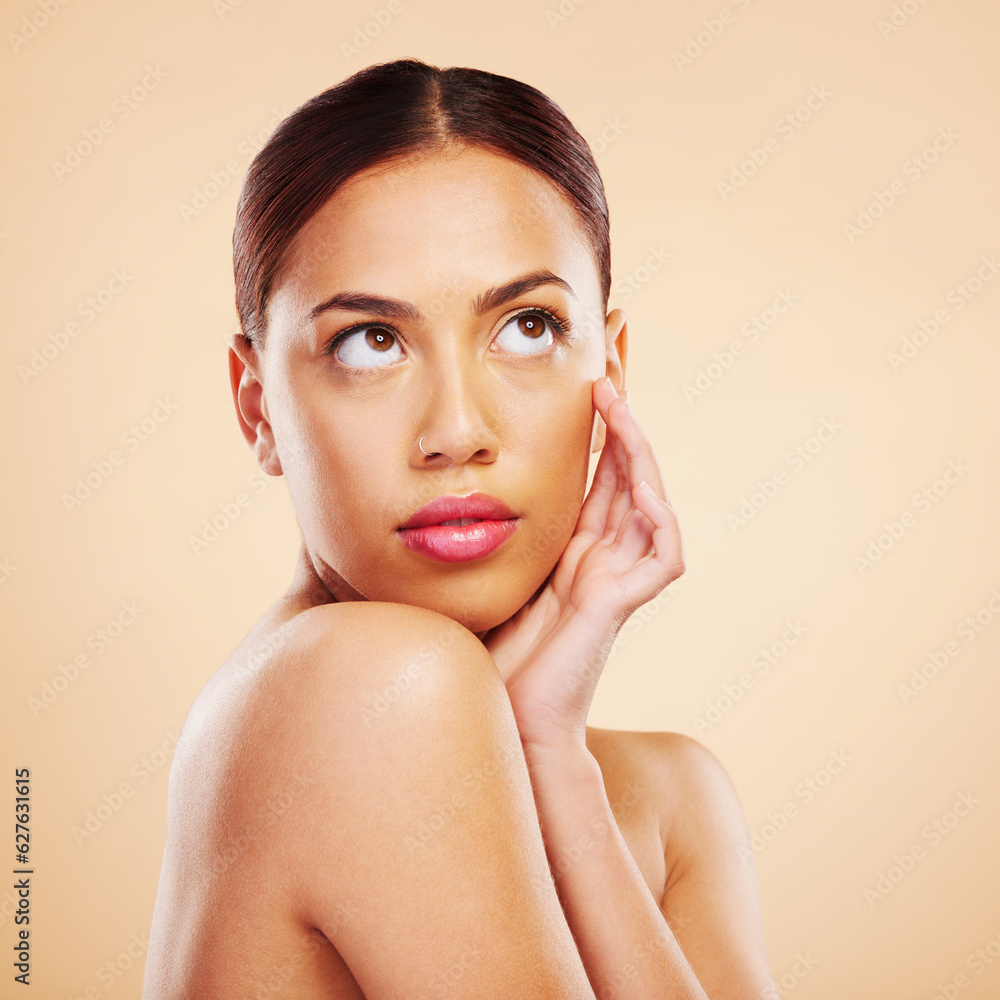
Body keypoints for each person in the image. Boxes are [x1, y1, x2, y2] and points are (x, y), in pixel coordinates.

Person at [143, 58, 777, 999]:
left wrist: (548, 757)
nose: (457, 433)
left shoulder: (672, 796)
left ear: (612, 370)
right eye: (371, 341)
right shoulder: (366, 685)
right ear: (258, 408)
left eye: (526, 328)